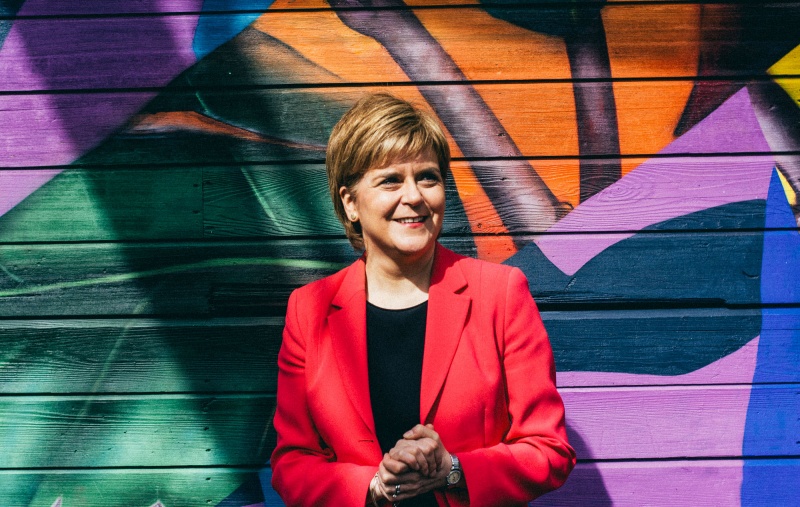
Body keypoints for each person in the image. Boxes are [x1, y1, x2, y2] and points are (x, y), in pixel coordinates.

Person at [270, 92, 576, 506]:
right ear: (350, 202)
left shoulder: (500, 294)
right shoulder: (310, 310)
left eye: (428, 177)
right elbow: (292, 462)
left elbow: (548, 449)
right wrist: (372, 488)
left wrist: (451, 470)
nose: (414, 196)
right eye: (391, 179)